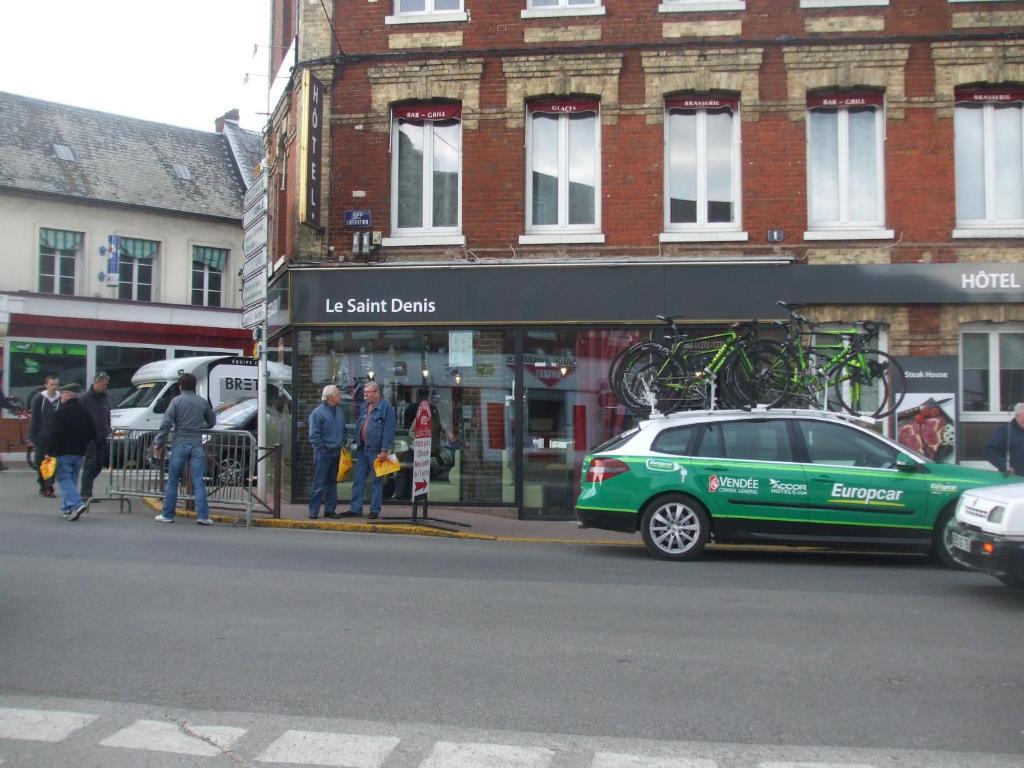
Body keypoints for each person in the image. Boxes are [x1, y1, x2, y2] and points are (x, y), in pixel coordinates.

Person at [152, 372, 216, 525]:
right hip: (196, 444)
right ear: (194, 387)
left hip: (180, 443)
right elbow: (212, 421)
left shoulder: (176, 401)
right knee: (198, 481)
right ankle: (203, 516)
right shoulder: (202, 402)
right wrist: (200, 427)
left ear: (180, 386)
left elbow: (166, 423)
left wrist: (159, 443)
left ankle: (167, 515)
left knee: (173, 480)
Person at [346, 380, 396, 520]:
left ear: (376, 393)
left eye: (368, 393)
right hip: (362, 448)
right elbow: (359, 424)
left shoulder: (387, 409)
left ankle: (374, 510)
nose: (365, 395)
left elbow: (389, 431)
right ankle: (355, 509)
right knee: (358, 479)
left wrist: (385, 450)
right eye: (365, 393)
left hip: (377, 450)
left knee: (377, 481)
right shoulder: (364, 406)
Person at [46, 383, 96, 521]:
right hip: (79, 453)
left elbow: (54, 433)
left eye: (62, 394)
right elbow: (93, 433)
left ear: (68, 395)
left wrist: (49, 452)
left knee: (63, 478)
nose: (61, 396)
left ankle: (76, 503)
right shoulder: (85, 413)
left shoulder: (61, 412)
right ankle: (67, 509)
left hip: (62, 451)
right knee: (72, 479)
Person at [308, 384, 346, 520]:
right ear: (331, 397)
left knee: (332, 482)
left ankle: (330, 509)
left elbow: (343, 429)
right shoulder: (317, 413)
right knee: (319, 482)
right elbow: (313, 435)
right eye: (338, 394)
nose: (340, 396)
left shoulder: (340, 412)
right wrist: (322, 448)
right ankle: (314, 510)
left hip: (336, 451)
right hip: (323, 452)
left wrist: (343, 443)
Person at [79, 371, 112, 500]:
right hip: (89, 437)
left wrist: (108, 428)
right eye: (104, 384)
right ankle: (86, 492)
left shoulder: (104, 398)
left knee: (99, 464)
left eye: (106, 384)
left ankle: (87, 486)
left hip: (102, 435)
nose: (106, 386)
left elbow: (107, 414)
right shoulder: (84, 398)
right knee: (90, 463)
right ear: (96, 383)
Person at [29, 375, 60, 497]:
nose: (54, 387)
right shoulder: (39, 399)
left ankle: (49, 486)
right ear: (46, 385)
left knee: (50, 461)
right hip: (41, 436)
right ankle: (42, 484)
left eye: (56, 384)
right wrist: (32, 437)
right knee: (39, 461)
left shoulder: (59, 399)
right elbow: (34, 419)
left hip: (55, 436)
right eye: (52, 384)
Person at [984, 402, 1024, 475]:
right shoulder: (1005, 431)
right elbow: (989, 451)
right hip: (1013, 479)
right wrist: (1005, 466)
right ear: (1018, 416)